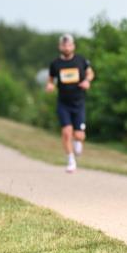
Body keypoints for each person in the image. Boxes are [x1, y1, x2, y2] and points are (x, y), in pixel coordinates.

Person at [46, 34, 94, 173]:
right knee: (66, 133)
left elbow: (90, 74)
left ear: (73, 46)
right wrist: (50, 85)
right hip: (63, 103)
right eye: (63, 45)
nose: (66, 47)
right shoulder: (55, 64)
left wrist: (87, 81)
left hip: (78, 103)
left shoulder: (81, 60)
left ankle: (78, 141)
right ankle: (71, 161)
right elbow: (50, 80)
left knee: (79, 135)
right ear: (60, 47)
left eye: (69, 45)